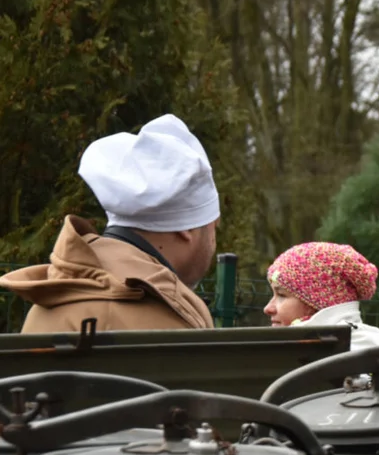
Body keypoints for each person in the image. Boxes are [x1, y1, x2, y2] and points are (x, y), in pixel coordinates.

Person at [0, 114, 218, 333]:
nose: (213, 240)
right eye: (212, 227)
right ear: (186, 229)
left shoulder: (50, 300)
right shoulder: (174, 318)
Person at [264, 242, 379, 383]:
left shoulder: (365, 349)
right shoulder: (372, 344)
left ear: (316, 301)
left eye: (281, 295)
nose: (268, 308)